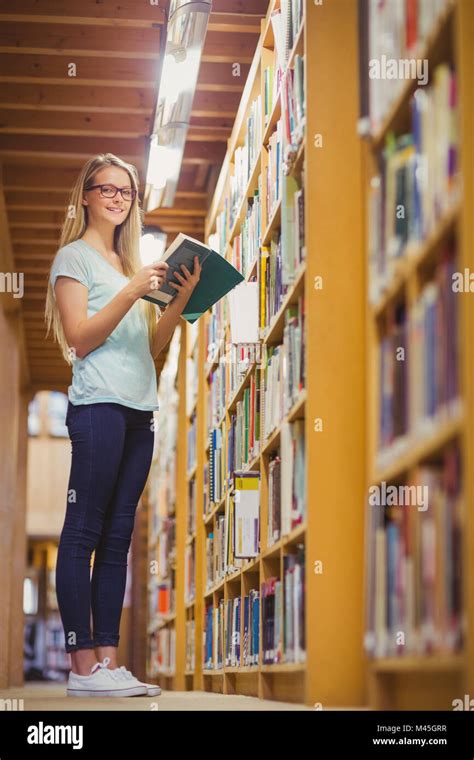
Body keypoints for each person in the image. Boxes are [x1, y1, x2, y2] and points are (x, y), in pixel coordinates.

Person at [44, 152, 201, 697]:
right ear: (85, 195)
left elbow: (149, 350)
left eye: (126, 191)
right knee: (83, 531)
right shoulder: (75, 258)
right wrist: (134, 289)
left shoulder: (126, 264)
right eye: (105, 188)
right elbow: (81, 337)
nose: (116, 197)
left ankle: (108, 662)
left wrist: (178, 301)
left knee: (117, 539)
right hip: (97, 408)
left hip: (140, 409)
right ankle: (81, 664)